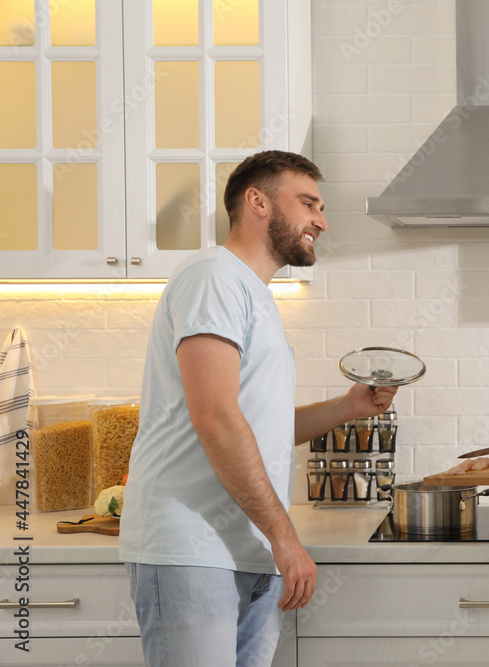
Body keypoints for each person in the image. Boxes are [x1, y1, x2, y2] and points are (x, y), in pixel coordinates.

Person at [120, 150, 397, 667]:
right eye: (308, 202)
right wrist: (285, 540)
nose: (322, 219)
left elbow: (256, 427)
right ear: (258, 202)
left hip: (247, 550)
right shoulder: (212, 277)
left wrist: (348, 407)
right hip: (191, 548)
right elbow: (216, 420)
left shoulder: (258, 296)